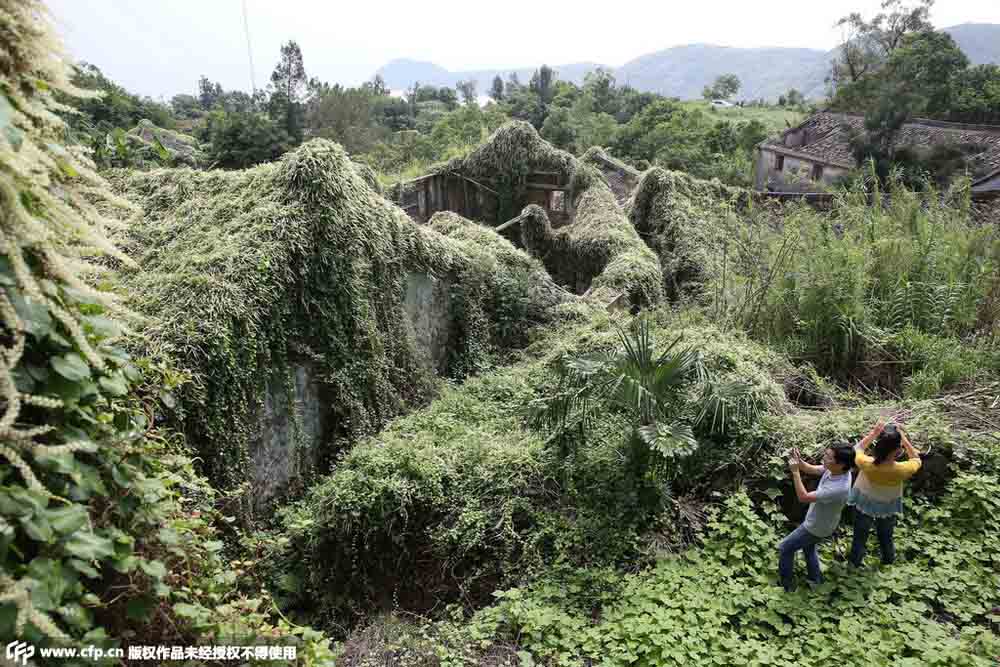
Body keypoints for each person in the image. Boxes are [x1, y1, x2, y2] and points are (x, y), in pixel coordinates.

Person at [778, 442, 855, 591]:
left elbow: (803, 497)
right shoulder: (837, 470)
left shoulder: (837, 488)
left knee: (785, 548)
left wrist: (795, 472)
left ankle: (787, 586)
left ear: (840, 464)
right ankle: (816, 579)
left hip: (816, 527)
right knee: (808, 548)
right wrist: (799, 462)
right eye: (825, 454)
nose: (824, 458)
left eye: (828, 457)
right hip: (823, 522)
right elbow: (811, 469)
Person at [848, 420, 922, 567]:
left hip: (865, 502)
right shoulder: (903, 469)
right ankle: (888, 561)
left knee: (859, 535)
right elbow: (916, 459)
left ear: (878, 446)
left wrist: (874, 433)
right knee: (886, 535)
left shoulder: (866, 463)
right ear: (897, 450)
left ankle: (854, 562)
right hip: (887, 505)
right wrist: (903, 439)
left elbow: (857, 449)